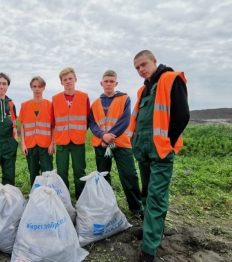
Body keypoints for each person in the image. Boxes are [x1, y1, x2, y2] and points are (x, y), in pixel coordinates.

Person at [128, 50, 190, 262]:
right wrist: (135, 141)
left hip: (161, 151)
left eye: (143, 64)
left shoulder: (171, 79)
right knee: (147, 193)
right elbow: (138, 119)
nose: (140, 70)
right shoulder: (142, 90)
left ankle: (149, 248)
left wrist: (168, 143)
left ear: (154, 61)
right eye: (137, 68)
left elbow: (182, 115)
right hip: (143, 150)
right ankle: (151, 230)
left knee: (155, 196)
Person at [89, 70, 144, 217]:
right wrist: (103, 137)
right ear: (101, 84)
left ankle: (136, 208)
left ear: (116, 83)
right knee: (103, 175)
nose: (108, 84)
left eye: (111, 81)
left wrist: (109, 138)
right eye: (106, 81)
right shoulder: (95, 103)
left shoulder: (124, 99)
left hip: (121, 143)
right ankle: (106, 205)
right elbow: (92, 123)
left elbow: (125, 120)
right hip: (101, 144)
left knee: (129, 175)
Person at [52, 67, 90, 199]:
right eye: (65, 79)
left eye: (70, 78)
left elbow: (88, 118)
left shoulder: (84, 97)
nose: (68, 81)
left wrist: (80, 133)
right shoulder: (55, 99)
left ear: (75, 79)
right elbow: (53, 121)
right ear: (61, 82)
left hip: (78, 141)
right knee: (62, 172)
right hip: (61, 141)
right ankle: (65, 199)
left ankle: (80, 199)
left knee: (79, 171)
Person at [18, 76, 54, 187]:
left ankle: (48, 194)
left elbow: (53, 126)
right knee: (33, 172)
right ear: (31, 88)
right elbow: (22, 126)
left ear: (44, 88)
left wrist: (52, 143)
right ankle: (35, 194)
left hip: (45, 145)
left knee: (47, 172)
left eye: (39, 86)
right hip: (30, 145)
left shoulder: (50, 105)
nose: (37, 89)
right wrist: (23, 144)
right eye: (34, 86)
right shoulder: (24, 106)